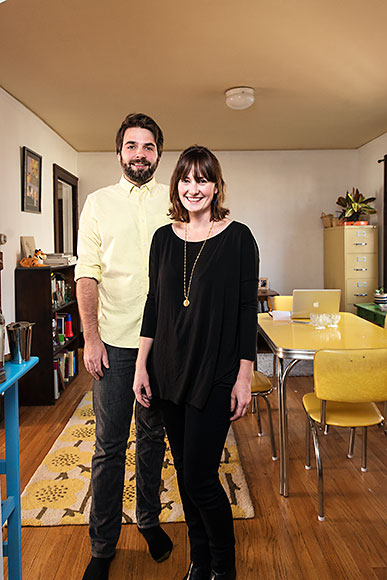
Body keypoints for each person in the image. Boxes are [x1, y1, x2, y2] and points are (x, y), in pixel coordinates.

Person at [133, 146, 259, 580]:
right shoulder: (162, 239)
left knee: (203, 476)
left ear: (216, 186)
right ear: (176, 187)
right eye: (186, 179)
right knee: (186, 474)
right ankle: (199, 559)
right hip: (168, 371)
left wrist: (244, 377)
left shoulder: (239, 237)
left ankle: (224, 566)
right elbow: (154, 305)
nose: (194, 188)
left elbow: (247, 310)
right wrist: (140, 366)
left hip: (216, 371)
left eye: (202, 179)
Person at [75, 113, 173, 580]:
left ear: (158, 154)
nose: (140, 154)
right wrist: (90, 339)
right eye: (132, 146)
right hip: (113, 345)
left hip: (162, 346)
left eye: (148, 147)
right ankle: (103, 544)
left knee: (153, 439)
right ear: (119, 153)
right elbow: (86, 274)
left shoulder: (173, 203)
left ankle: (150, 520)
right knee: (109, 447)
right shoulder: (97, 203)